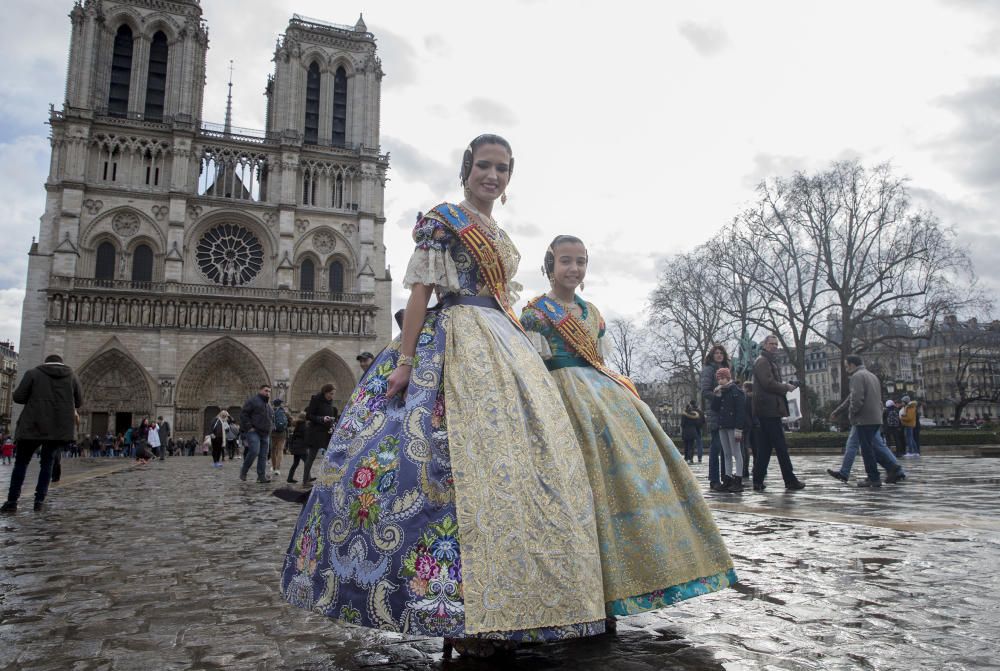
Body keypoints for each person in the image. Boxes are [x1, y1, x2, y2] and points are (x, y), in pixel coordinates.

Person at [280, 134, 607, 656]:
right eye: (484, 166)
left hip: (502, 346)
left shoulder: (500, 235)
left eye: (502, 169)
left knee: (512, 476)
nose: (492, 176)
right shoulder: (443, 220)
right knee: (445, 470)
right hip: (452, 344)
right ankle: (458, 612)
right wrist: (405, 362)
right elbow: (419, 294)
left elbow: (501, 301)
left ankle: (512, 604)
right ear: (466, 169)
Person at [520, 234, 735, 626]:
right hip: (563, 397)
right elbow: (535, 366)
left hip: (604, 398)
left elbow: (599, 359)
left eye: (581, 261)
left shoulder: (593, 313)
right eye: (566, 260)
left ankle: (627, 580)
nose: (574, 268)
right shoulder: (535, 313)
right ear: (549, 264)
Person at [2, 355, 82, 513]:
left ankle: (12, 502)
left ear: (45, 363)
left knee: (21, 463)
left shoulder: (33, 373)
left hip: (32, 425)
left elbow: (18, 397)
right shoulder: (72, 376)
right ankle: (39, 502)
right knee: (47, 464)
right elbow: (79, 402)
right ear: (62, 363)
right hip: (57, 427)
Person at [751, 335, 805, 491]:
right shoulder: (762, 361)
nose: (774, 346)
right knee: (780, 446)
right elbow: (767, 383)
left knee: (765, 448)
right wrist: (785, 387)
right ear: (765, 344)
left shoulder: (769, 361)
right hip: (768, 409)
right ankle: (790, 480)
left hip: (769, 409)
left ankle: (758, 480)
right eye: (771, 344)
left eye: (776, 344)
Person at [842, 355, 887, 487]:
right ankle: (885, 471)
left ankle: (874, 477)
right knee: (871, 447)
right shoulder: (872, 376)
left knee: (867, 450)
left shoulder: (857, 376)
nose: (846, 369)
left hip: (864, 418)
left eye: (846, 366)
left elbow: (856, 399)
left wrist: (852, 414)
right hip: (876, 417)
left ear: (852, 365)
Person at [700, 344, 731, 491]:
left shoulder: (727, 369)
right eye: (716, 353)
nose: (719, 355)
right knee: (717, 446)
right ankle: (714, 479)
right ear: (712, 355)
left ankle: (727, 478)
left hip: (727, 412)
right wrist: (718, 397)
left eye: (721, 353)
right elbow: (705, 391)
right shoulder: (709, 369)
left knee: (727, 447)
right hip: (715, 411)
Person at [710, 367, 746, 492]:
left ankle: (738, 479)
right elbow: (714, 408)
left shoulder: (737, 392)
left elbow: (741, 412)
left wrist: (739, 428)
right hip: (722, 425)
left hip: (733, 426)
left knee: (736, 452)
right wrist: (717, 396)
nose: (720, 381)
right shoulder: (721, 392)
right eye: (719, 379)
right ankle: (728, 478)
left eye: (723, 378)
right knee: (726, 453)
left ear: (728, 378)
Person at [302, 384, 337, 486]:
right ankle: (305, 480)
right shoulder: (316, 400)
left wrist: (331, 422)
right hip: (316, 433)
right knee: (311, 457)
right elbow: (309, 416)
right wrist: (321, 419)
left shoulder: (330, 402)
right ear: (325, 392)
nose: (332, 396)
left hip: (326, 433)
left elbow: (330, 415)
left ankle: (330, 478)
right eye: (331, 394)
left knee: (331, 456)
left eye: (333, 394)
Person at [239, 384, 273, 483]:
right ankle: (244, 471)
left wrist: (270, 428)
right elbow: (243, 414)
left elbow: (270, 418)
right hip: (254, 432)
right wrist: (249, 427)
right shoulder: (253, 401)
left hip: (265, 433)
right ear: (260, 390)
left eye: (269, 391)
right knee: (254, 451)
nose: (268, 393)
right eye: (266, 391)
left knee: (263, 455)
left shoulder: (268, 404)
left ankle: (261, 476)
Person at [284, 412, 309, 483]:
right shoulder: (304, 426)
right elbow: (305, 437)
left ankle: (290, 478)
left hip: (296, 447)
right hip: (301, 447)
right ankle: (307, 478)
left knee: (295, 463)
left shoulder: (297, 424)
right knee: (307, 462)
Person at [270, 399, 288, 478]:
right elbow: (288, 422)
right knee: (280, 450)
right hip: (282, 433)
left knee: (273, 450)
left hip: (272, 433)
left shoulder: (270, 410)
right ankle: (278, 468)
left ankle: (274, 467)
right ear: (280, 404)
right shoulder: (283, 411)